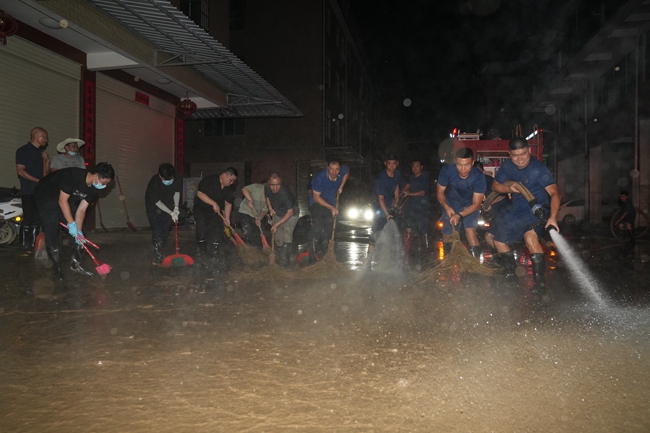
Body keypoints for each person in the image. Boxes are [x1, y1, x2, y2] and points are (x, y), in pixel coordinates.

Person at [491, 136, 560, 293]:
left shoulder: (539, 169)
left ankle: (540, 284)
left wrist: (553, 217)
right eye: (515, 155)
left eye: (523, 154)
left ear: (529, 150)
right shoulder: (507, 167)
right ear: (509, 154)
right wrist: (509, 189)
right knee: (498, 240)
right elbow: (495, 186)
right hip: (517, 212)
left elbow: (555, 193)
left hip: (537, 211)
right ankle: (511, 273)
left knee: (530, 238)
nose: (520, 159)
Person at [33, 162, 115, 280]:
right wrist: (71, 224)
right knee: (52, 230)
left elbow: (81, 210)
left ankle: (76, 265)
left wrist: (78, 231)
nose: (105, 186)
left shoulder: (93, 189)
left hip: (67, 199)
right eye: (104, 182)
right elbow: (62, 201)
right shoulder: (73, 176)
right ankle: (56, 269)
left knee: (80, 234)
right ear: (96, 175)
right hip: (45, 195)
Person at [436, 148, 486, 258]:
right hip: (451, 203)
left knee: (470, 232)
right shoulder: (447, 170)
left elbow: (476, 204)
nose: (463, 169)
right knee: (447, 236)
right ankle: (449, 262)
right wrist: (446, 207)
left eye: (467, 165)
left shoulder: (478, 177)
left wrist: (460, 215)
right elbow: (440, 192)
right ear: (455, 161)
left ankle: (475, 265)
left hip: (470, 205)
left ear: (472, 163)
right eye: (459, 164)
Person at [194, 167, 238, 275]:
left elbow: (228, 203)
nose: (231, 183)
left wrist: (227, 217)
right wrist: (213, 203)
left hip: (216, 213)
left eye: (233, 181)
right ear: (224, 175)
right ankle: (202, 255)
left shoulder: (228, 188)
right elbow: (200, 194)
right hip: (201, 210)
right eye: (230, 180)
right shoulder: (209, 180)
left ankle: (214, 256)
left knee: (217, 231)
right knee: (202, 231)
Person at [15, 127, 50, 256]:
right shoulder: (23, 151)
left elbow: (45, 173)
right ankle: (24, 247)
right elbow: (21, 171)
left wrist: (46, 160)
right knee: (28, 218)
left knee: (37, 220)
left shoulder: (41, 153)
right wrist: (37, 181)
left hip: (40, 192)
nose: (46, 140)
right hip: (29, 190)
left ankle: (33, 246)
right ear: (37, 136)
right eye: (44, 137)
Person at [309, 159, 349, 263]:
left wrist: (341, 186)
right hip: (318, 203)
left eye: (337, 170)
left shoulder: (342, 170)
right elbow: (316, 197)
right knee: (317, 228)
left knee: (329, 229)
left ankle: (324, 255)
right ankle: (313, 257)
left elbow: (347, 172)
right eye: (331, 169)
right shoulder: (319, 178)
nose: (334, 172)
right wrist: (331, 208)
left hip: (331, 202)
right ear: (328, 168)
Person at [144, 163, 182, 266]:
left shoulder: (177, 178)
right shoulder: (154, 183)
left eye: (171, 179)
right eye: (166, 179)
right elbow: (157, 202)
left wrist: (176, 208)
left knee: (165, 229)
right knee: (157, 228)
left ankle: (160, 249)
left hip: (168, 204)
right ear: (160, 176)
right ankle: (158, 256)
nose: (169, 181)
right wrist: (170, 212)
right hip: (154, 207)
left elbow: (176, 192)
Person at [474, 161, 511, 253]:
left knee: (490, 237)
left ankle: (503, 260)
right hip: (495, 214)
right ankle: (501, 258)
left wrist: (489, 202)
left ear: (483, 171)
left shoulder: (488, 181)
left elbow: (502, 195)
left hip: (503, 211)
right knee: (490, 237)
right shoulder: (473, 183)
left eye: (478, 171)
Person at [265, 172, 300, 268]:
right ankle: (281, 256)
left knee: (287, 233)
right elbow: (267, 197)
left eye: (277, 185)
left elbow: (290, 212)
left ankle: (285, 262)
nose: (275, 188)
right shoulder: (267, 187)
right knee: (278, 238)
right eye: (272, 185)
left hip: (292, 213)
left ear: (281, 183)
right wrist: (270, 208)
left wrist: (276, 224)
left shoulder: (285, 193)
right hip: (277, 213)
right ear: (269, 183)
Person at [401, 158, 431, 256]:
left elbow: (422, 192)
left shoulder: (424, 177)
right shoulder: (411, 178)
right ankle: (408, 247)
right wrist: (401, 196)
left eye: (417, 166)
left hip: (422, 206)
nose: (415, 168)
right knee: (408, 224)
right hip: (411, 206)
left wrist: (408, 194)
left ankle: (425, 248)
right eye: (413, 166)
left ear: (421, 167)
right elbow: (405, 189)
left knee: (422, 228)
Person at [237, 182, 268, 248]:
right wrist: (250, 200)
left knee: (258, 234)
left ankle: (258, 252)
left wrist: (259, 218)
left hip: (256, 216)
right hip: (245, 212)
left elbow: (264, 210)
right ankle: (248, 250)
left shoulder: (269, 197)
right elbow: (244, 189)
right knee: (248, 232)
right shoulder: (257, 187)